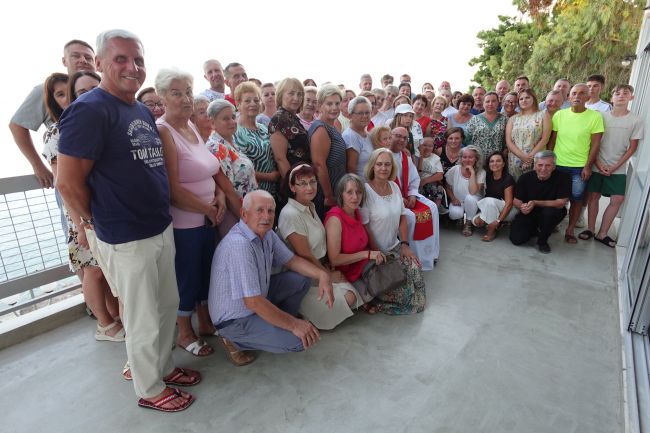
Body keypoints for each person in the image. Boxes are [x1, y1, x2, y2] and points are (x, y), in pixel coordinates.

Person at [57, 29, 199, 413]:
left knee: (166, 305)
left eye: (138, 59)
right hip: (125, 235)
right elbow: (67, 182)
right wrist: (94, 220)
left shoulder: (138, 110)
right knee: (142, 317)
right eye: (120, 59)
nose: (132, 67)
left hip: (158, 225)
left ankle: (163, 367)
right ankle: (150, 389)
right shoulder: (89, 110)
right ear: (100, 63)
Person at [42, 71, 123, 343]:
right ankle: (104, 324)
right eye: (60, 94)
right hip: (81, 213)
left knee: (107, 268)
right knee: (93, 270)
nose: (68, 98)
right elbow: (62, 183)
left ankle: (116, 316)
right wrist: (80, 225)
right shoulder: (58, 132)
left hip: (102, 209)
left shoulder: (100, 123)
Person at [208, 190, 332, 362]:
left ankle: (277, 323)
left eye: (270, 211)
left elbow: (291, 260)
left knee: (301, 280)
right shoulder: (239, 245)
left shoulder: (266, 233)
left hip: (257, 297)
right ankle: (234, 340)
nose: (266, 216)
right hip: (235, 320)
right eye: (259, 210)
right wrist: (294, 324)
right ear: (244, 214)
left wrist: (322, 274)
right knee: (299, 341)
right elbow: (253, 302)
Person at [155, 68, 223, 357]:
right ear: (162, 97)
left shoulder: (191, 126)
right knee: (187, 277)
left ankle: (205, 322)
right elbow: (171, 188)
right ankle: (185, 332)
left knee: (206, 272)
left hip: (208, 216)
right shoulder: (164, 131)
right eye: (176, 93)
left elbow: (208, 168)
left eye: (188, 92)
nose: (185, 99)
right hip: (186, 222)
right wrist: (208, 208)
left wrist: (219, 197)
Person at [278, 164, 362, 329]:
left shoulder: (310, 206)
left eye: (312, 181)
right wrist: (327, 275)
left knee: (352, 292)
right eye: (303, 183)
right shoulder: (290, 214)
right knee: (350, 297)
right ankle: (300, 311)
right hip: (303, 275)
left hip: (318, 266)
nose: (309, 187)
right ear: (292, 187)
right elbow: (304, 254)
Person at [10, 39, 95, 189]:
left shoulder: (103, 90)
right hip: (71, 179)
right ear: (64, 61)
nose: (83, 60)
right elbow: (17, 125)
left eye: (88, 57)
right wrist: (38, 166)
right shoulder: (47, 90)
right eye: (76, 56)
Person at [361, 150, 427, 314]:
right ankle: (379, 303)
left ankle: (381, 302)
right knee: (405, 292)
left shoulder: (394, 186)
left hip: (395, 247)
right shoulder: (365, 191)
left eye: (387, 164)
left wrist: (404, 244)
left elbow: (402, 217)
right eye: (379, 164)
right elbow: (365, 227)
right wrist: (378, 252)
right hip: (374, 253)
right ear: (372, 166)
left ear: (392, 167)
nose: (383, 168)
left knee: (416, 272)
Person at [583, 84, 644, 247]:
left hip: (618, 167)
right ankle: (590, 229)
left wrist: (615, 166)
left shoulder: (636, 120)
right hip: (598, 164)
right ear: (611, 98)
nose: (621, 95)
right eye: (617, 93)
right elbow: (593, 142)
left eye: (625, 93)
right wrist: (597, 163)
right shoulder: (601, 117)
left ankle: (602, 233)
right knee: (593, 196)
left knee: (617, 199)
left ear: (631, 97)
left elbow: (632, 148)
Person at [548, 83, 604, 244]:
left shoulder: (595, 117)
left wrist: (588, 166)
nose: (577, 96)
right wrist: (550, 162)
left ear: (588, 97)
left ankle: (570, 229)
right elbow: (552, 141)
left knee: (576, 199)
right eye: (574, 93)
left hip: (579, 168)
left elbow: (595, 145)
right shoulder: (559, 115)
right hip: (558, 165)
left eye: (581, 93)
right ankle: (551, 225)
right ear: (568, 97)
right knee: (555, 198)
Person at [389, 128, 440, 270]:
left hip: (406, 193)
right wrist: (399, 198)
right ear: (390, 136)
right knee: (411, 217)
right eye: (398, 136)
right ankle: (412, 256)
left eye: (404, 138)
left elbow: (414, 178)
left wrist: (412, 194)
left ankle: (430, 254)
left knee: (432, 208)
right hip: (392, 197)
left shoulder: (405, 157)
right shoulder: (384, 156)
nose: (401, 140)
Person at [509, 150, 570, 254]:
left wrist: (535, 202)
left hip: (551, 211)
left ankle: (543, 241)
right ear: (534, 166)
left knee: (549, 213)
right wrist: (523, 207)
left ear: (554, 166)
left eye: (548, 165)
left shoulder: (564, 178)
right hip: (530, 211)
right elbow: (516, 200)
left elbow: (561, 203)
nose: (543, 169)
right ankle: (534, 229)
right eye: (540, 165)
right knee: (516, 239)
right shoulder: (525, 178)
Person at [234, 82, 280, 198]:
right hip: (252, 192)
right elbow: (239, 168)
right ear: (238, 104)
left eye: (256, 100)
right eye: (247, 101)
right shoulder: (235, 132)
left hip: (272, 190)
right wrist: (269, 177)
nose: (253, 104)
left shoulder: (263, 127)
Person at [205, 100, 258, 200]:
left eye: (233, 117)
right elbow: (228, 192)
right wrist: (242, 211)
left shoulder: (231, 140)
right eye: (226, 119)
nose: (232, 122)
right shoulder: (216, 147)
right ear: (212, 123)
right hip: (238, 208)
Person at [308, 84, 347, 216]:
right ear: (320, 106)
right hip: (325, 196)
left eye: (337, 103)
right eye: (329, 104)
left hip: (337, 189)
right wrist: (328, 196)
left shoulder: (332, 126)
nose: (334, 108)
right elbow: (319, 165)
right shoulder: (321, 129)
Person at [269, 78, 310, 180]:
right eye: (291, 93)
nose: (296, 98)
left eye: (299, 94)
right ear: (281, 95)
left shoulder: (292, 118)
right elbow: (280, 159)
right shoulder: (279, 119)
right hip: (295, 181)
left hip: (304, 178)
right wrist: (292, 184)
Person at [505, 88, 551, 180]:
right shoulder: (513, 119)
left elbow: (545, 139)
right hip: (515, 159)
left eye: (527, 97)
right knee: (516, 185)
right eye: (521, 99)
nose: (524, 100)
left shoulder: (543, 115)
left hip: (535, 159)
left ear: (533, 98)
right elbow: (508, 141)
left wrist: (529, 158)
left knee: (533, 185)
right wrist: (522, 157)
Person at [472, 151, 517, 241]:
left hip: (506, 209)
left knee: (489, 201)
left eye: (498, 161)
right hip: (490, 206)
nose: (494, 163)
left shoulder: (508, 179)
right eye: (492, 161)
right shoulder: (487, 176)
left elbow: (509, 204)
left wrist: (498, 221)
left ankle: (491, 231)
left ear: (503, 164)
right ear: (489, 164)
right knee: (476, 222)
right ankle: (492, 223)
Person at [445, 145, 486, 236]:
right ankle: (461, 216)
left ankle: (468, 222)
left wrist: (472, 173)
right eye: (464, 157)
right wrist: (453, 198)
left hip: (474, 200)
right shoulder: (455, 169)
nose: (467, 160)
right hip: (458, 200)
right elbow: (447, 186)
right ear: (461, 158)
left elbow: (473, 192)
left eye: (470, 157)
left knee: (470, 198)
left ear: (476, 159)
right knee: (454, 214)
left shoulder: (481, 172)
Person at [466, 91, 507, 161]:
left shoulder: (504, 119)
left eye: (493, 101)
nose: (490, 104)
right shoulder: (475, 119)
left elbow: (507, 140)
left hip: (496, 161)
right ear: (483, 103)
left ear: (498, 102)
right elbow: (466, 138)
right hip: (478, 159)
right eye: (487, 101)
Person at [343, 96, 374, 179]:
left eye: (367, 112)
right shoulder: (350, 136)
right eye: (360, 113)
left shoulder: (368, 134)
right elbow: (351, 169)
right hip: (360, 184)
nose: (365, 116)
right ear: (350, 115)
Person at [415, 137, 445, 209]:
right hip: (417, 182)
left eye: (430, 146)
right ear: (420, 146)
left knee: (438, 188)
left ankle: (436, 209)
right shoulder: (415, 157)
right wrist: (421, 156)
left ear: (433, 147)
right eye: (424, 145)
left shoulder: (435, 158)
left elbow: (440, 175)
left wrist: (425, 181)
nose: (427, 148)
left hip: (430, 182)